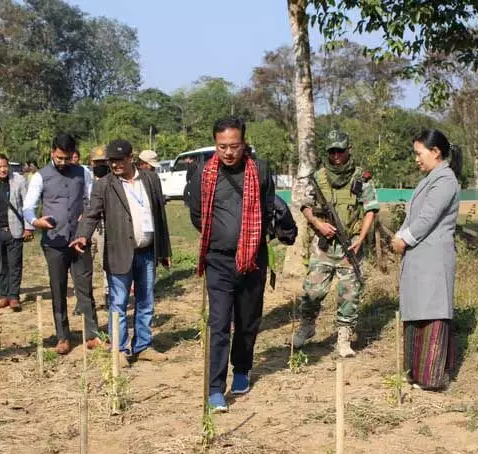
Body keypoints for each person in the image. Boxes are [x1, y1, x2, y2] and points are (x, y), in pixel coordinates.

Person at [188, 117, 276, 413]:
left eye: (234, 146)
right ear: (215, 144)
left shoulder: (260, 170)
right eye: (222, 146)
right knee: (219, 322)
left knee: (248, 319)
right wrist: (221, 236)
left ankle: (241, 369)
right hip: (219, 260)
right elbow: (197, 214)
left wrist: (249, 242)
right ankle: (215, 387)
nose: (228, 152)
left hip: (252, 259)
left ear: (244, 144)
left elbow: (267, 207)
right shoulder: (204, 171)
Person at [71, 139, 172, 362]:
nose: (115, 165)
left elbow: (160, 216)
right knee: (119, 303)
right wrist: (82, 235)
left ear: (131, 158)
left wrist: (164, 251)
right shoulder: (104, 184)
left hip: (146, 252)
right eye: (111, 161)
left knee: (146, 300)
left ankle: (143, 345)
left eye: (119, 160)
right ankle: (120, 348)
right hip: (119, 252)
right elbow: (91, 213)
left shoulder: (150, 179)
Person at [292, 130, 379, 357]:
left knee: (350, 292)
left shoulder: (361, 179)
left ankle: (343, 336)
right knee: (312, 290)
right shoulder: (318, 178)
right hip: (323, 246)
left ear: (348, 149)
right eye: (332, 151)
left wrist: (361, 238)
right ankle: (307, 326)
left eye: (340, 150)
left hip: (350, 245)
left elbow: (371, 209)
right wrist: (318, 224)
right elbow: (305, 205)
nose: (336, 156)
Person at [391, 129, 461, 391]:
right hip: (421, 259)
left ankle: (432, 378)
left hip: (432, 259)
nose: (416, 159)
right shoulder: (432, 177)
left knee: (432, 315)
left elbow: (427, 218)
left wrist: (403, 239)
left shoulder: (445, 180)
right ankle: (415, 373)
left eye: (419, 154)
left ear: (435, 152)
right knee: (418, 314)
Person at [23, 133, 102, 354]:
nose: (63, 163)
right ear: (52, 154)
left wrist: (85, 218)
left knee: (84, 287)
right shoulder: (40, 176)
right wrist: (35, 221)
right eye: (59, 158)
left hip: (79, 240)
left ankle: (93, 333)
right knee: (58, 289)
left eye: (67, 158)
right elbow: (28, 207)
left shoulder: (83, 173)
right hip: (54, 242)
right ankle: (63, 336)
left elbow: (91, 201)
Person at [0, 154, 31, 312]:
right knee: (0, 265)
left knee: (15, 264)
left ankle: (14, 296)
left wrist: (28, 227)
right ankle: (4, 294)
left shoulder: (19, 180)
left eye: (5, 166)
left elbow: (27, 205)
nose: (3, 169)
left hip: (15, 230)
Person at [89, 145, 110, 307]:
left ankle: (107, 294)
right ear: (91, 163)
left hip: (106, 225)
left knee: (107, 263)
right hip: (88, 227)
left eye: (103, 161)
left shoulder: (113, 180)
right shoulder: (85, 179)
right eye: (97, 162)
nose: (100, 165)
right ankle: (84, 298)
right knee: (83, 265)